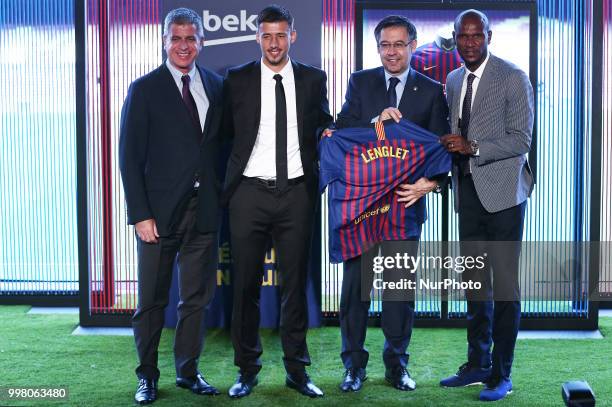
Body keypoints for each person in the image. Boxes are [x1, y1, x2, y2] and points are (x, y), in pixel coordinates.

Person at [334, 15, 449, 393]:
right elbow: (343, 131)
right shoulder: (360, 82)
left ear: (413, 46)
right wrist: (375, 122)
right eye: (385, 44)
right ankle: (353, 366)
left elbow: (441, 147)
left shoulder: (432, 90)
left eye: (399, 44)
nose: (392, 52)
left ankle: (397, 366)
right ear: (378, 46)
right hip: (362, 208)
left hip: (405, 206)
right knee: (355, 291)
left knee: (399, 290)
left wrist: (429, 184)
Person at [222, 4, 332, 399]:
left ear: (293, 36)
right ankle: (247, 370)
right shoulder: (236, 79)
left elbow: (323, 123)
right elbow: (222, 136)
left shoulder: (313, 78)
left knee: (294, 287)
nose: (274, 42)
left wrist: (331, 133)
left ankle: (297, 372)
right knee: (245, 288)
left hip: (296, 194)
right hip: (248, 194)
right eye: (267, 35)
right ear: (257, 38)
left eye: (280, 35)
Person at [118, 7, 224, 405]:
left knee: (196, 299)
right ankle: (146, 376)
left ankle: (188, 372)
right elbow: (129, 158)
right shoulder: (144, 89)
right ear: (165, 41)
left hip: (205, 211)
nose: (183, 45)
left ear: (201, 42)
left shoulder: (216, 85)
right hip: (157, 217)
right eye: (176, 38)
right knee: (151, 302)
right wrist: (140, 215)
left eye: (190, 38)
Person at [439, 9, 534, 402]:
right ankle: (477, 364)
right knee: (475, 284)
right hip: (469, 195)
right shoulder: (453, 79)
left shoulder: (513, 77)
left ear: (489, 36)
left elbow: (521, 140)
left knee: (505, 287)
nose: (470, 42)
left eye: (477, 36)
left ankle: (502, 373)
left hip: (505, 196)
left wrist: (473, 147)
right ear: (456, 38)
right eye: (464, 36)